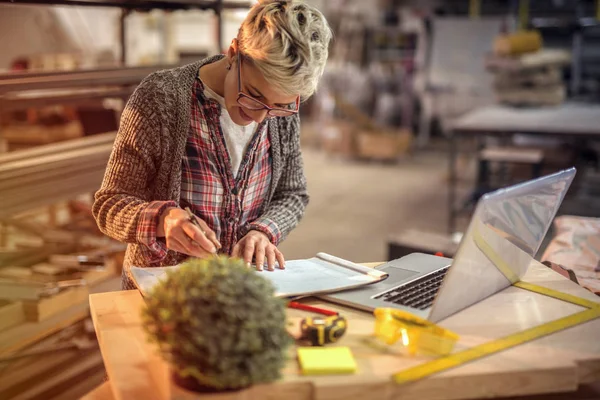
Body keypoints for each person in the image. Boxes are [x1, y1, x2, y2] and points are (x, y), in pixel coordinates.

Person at [93, 0, 332, 289]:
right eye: (253, 95)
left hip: (240, 294)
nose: (259, 116)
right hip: (165, 300)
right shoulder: (160, 98)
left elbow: (293, 194)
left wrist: (264, 231)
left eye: (278, 106)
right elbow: (109, 205)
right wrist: (162, 220)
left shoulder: (280, 113)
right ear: (233, 53)